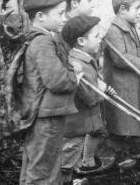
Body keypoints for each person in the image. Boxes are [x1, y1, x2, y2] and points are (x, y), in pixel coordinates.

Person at [19, 0, 80, 185]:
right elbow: (57, 80)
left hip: (42, 114)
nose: (64, 18)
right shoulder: (43, 41)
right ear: (40, 16)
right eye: (60, 13)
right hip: (47, 117)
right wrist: (75, 76)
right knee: (44, 170)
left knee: (36, 166)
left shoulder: (38, 39)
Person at [103, 0, 140, 161]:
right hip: (121, 82)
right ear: (122, 10)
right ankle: (130, 148)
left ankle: (133, 141)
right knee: (125, 114)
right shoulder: (114, 31)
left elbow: (137, 46)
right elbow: (119, 58)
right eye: (137, 8)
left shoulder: (130, 26)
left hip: (133, 78)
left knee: (135, 110)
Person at [57, 0, 98, 183]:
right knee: (69, 143)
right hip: (72, 100)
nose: (93, 4)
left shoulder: (82, 28)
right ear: (74, 4)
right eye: (90, 0)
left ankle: (77, 169)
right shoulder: (63, 33)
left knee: (80, 137)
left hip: (83, 97)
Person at [61, 15, 109, 179]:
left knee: (98, 133)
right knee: (71, 151)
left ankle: (87, 161)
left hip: (89, 116)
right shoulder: (77, 64)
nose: (100, 38)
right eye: (96, 36)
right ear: (81, 41)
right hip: (79, 121)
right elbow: (91, 97)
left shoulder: (85, 58)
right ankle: (65, 178)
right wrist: (101, 89)